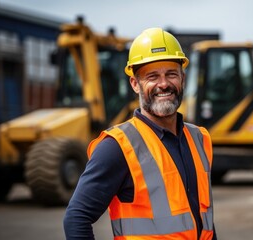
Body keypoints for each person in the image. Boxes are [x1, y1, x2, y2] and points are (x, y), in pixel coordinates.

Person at [64, 28, 216, 239]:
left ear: (182, 78)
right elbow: (77, 218)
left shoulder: (199, 139)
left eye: (171, 74)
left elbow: (205, 220)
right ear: (135, 84)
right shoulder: (117, 146)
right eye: (152, 76)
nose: (163, 84)